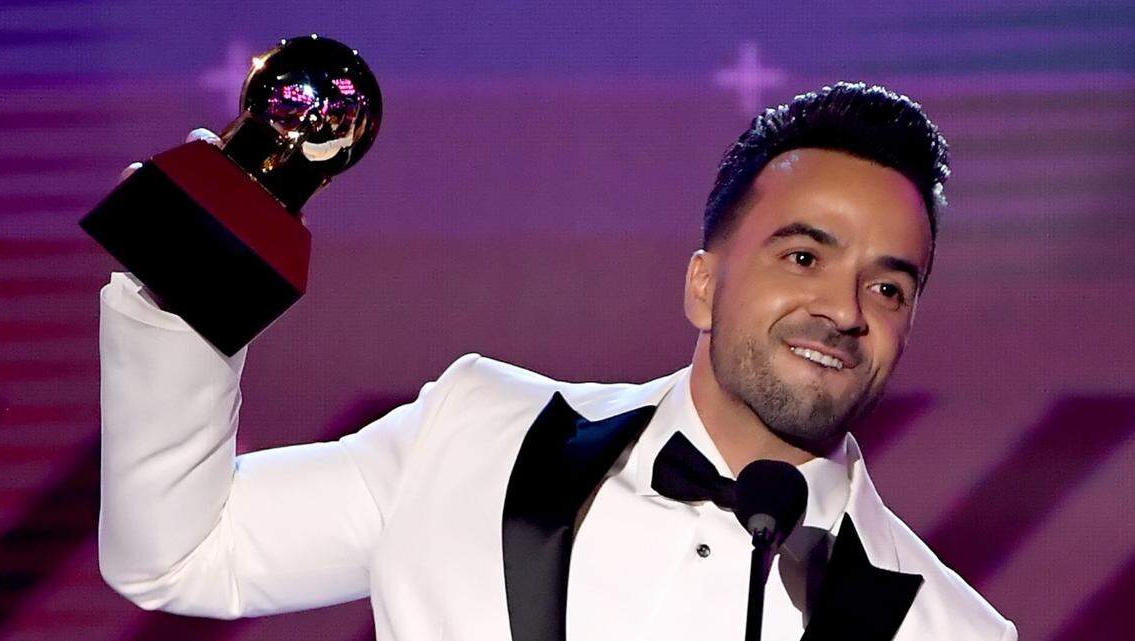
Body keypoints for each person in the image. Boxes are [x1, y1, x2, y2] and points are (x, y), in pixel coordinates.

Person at [97, 82, 1017, 640]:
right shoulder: (476, 433)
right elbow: (184, 554)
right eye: (804, 256)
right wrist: (195, 277)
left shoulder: (950, 629)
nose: (844, 311)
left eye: (888, 286)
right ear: (704, 284)